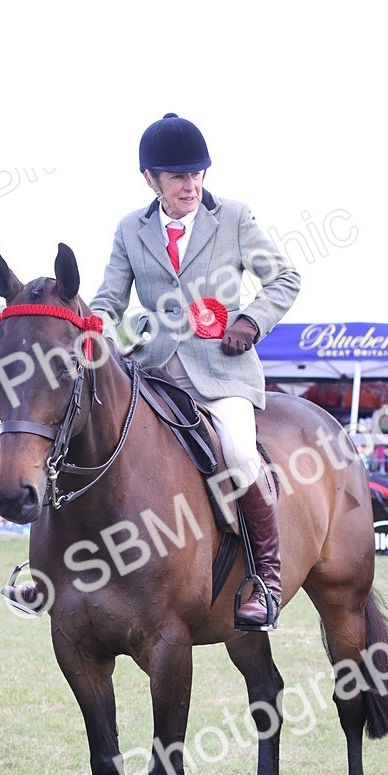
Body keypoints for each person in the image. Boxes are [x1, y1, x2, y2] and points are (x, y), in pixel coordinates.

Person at [88, 113, 301, 630]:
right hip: (153, 371)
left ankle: (266, 580)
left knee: (236, 452)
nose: (191, 185)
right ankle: (57, 570)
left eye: (197, 174)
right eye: (179, 176)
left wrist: (251, 320)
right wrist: (92, 327)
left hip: (221, 375)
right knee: (90, 439)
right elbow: (109, 298)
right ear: (151, 180)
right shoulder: (129, 230)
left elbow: (286, 278)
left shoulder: (233, 217)